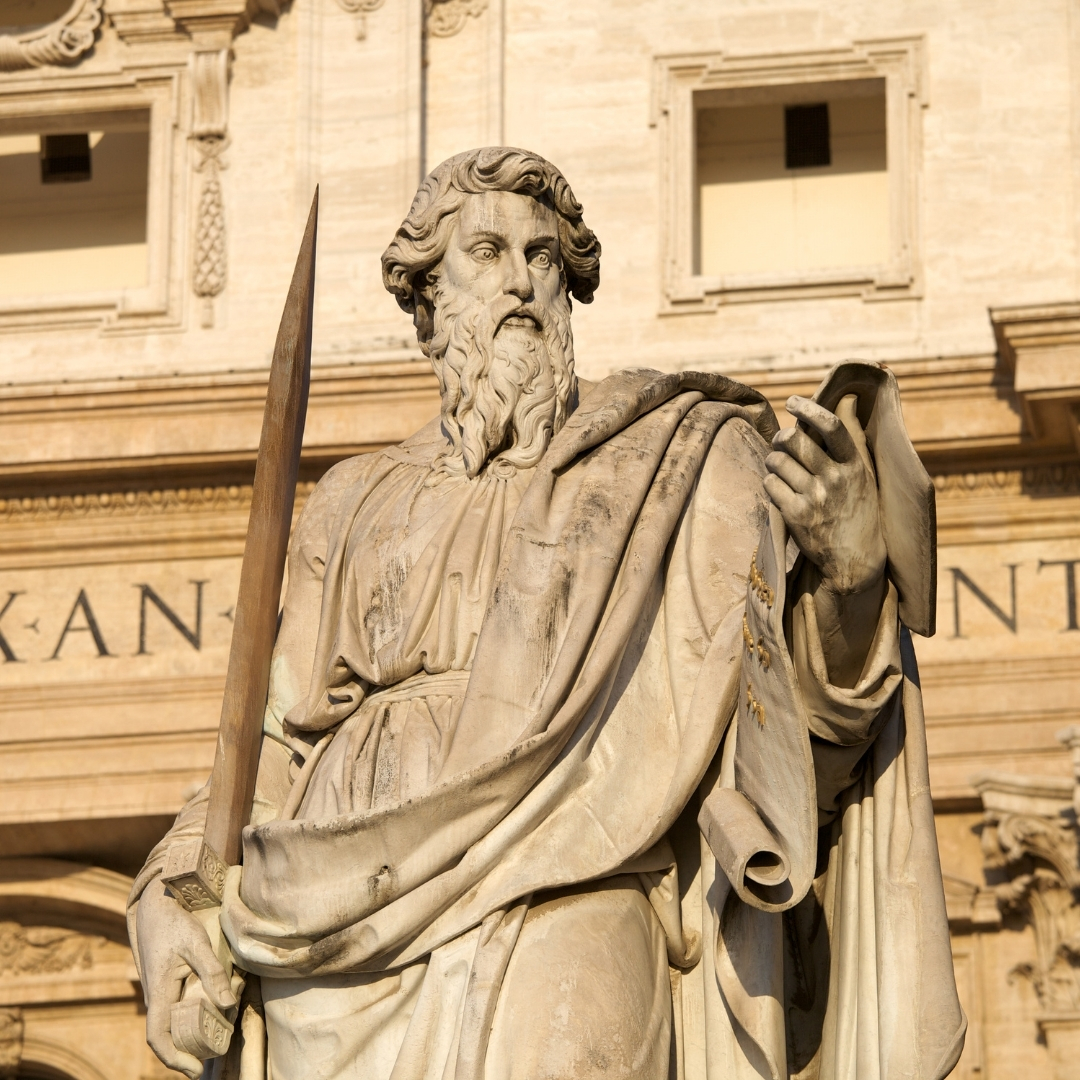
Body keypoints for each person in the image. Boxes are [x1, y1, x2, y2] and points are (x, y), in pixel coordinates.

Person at [128, 147, 964, 1080]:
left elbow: (790, 744)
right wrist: (172, 888)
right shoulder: (352, 500)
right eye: (487, 252)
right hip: (338, 925)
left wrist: (851, 581)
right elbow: (272, 745)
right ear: (430, 299)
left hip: (579, 863)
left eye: (543, 257)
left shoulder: (676, 462)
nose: (522, 281)